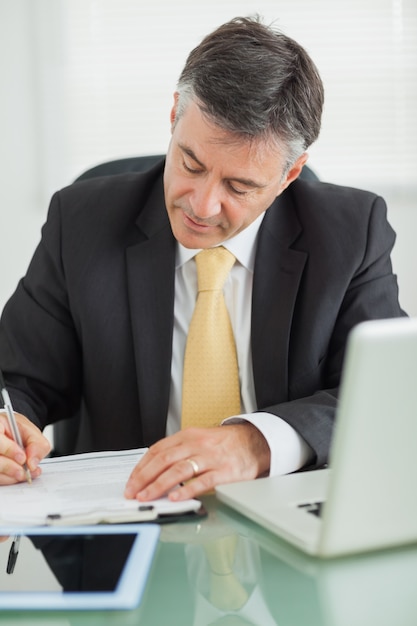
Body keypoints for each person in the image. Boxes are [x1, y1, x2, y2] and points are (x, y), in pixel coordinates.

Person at [0, 16, 404, 502]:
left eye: (239, 186)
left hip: (283, 517)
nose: (202, 204)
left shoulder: (351, 233)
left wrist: (255, 443)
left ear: (290, 173)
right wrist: (9, 425)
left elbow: (387, 399)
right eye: (191, 163)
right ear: (174, 115)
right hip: (122, 519)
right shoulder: (81, 221)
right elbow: (18, 375)